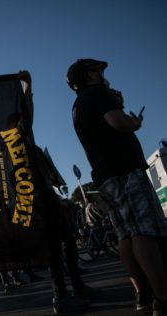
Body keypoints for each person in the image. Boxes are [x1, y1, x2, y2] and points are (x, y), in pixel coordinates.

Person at [67, 58, 167, 315]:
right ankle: (162, 297)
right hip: (124, 170)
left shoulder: (77, 106)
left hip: (105, 176)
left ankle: (142, 294)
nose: (103, 75)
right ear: (90, 75)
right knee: (142, 232)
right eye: (99, 71)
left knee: (125, 234)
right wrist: (133, 121)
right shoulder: (99, 93)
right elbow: (117, 123)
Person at [18, 71, 93, 314]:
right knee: (53, 248)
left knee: (67, 242)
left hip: (47, 199)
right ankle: (61, 296)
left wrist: (28, 85)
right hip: (39, 202)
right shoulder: (12, 149)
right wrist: (28, 86)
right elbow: (26, 112)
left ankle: (76, 288)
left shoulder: (29, 144)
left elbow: (26, 111)